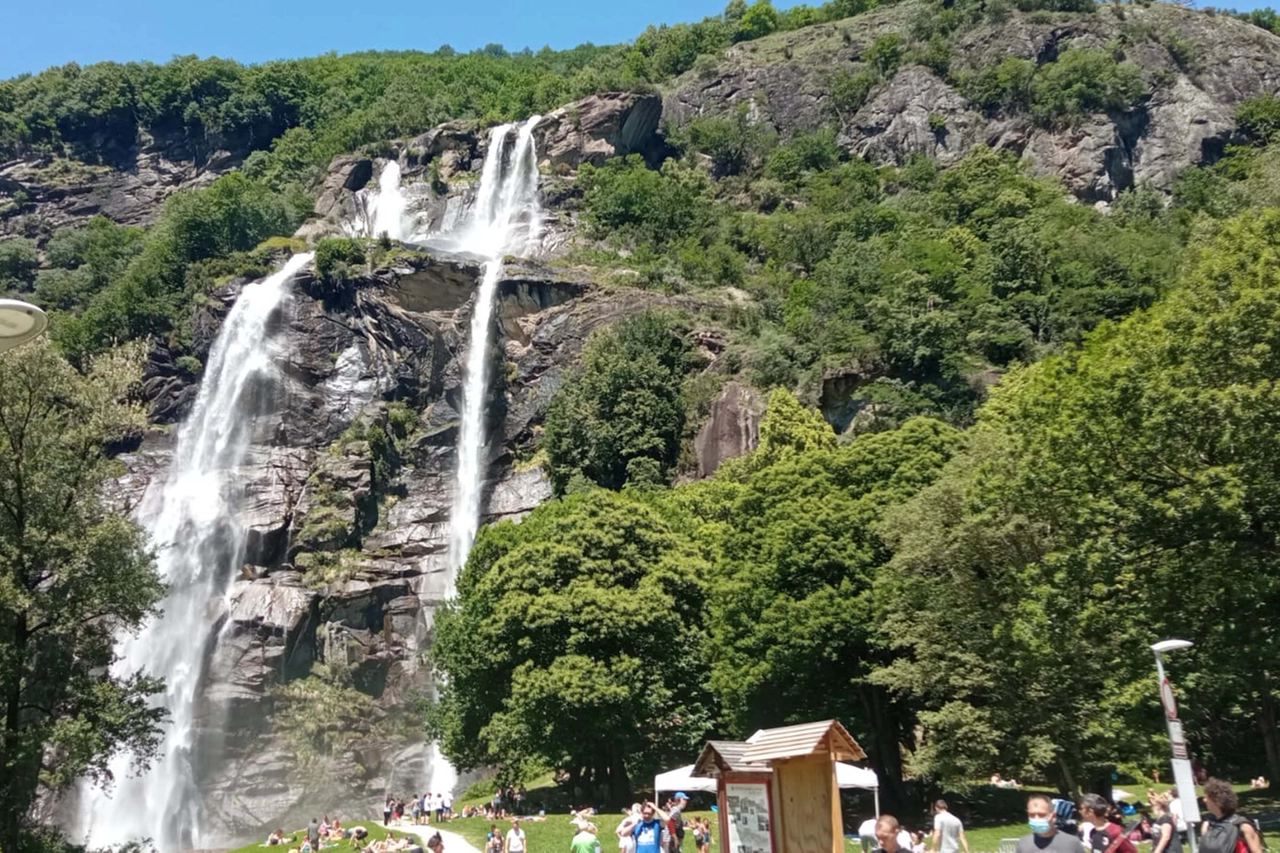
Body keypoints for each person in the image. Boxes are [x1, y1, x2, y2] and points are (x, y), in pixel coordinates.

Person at [1200, 777, 1265, 853]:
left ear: (1217, 801)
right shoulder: (1207, 826)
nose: (1204, 800)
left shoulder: (1242, 826)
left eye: (1207, 797)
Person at [1017, 794, 1086, 853]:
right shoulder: (1023, 843)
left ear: (1053, 816)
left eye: (1041, 815)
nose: (1036, 818)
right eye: (1031, 815)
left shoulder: (1072, 843)